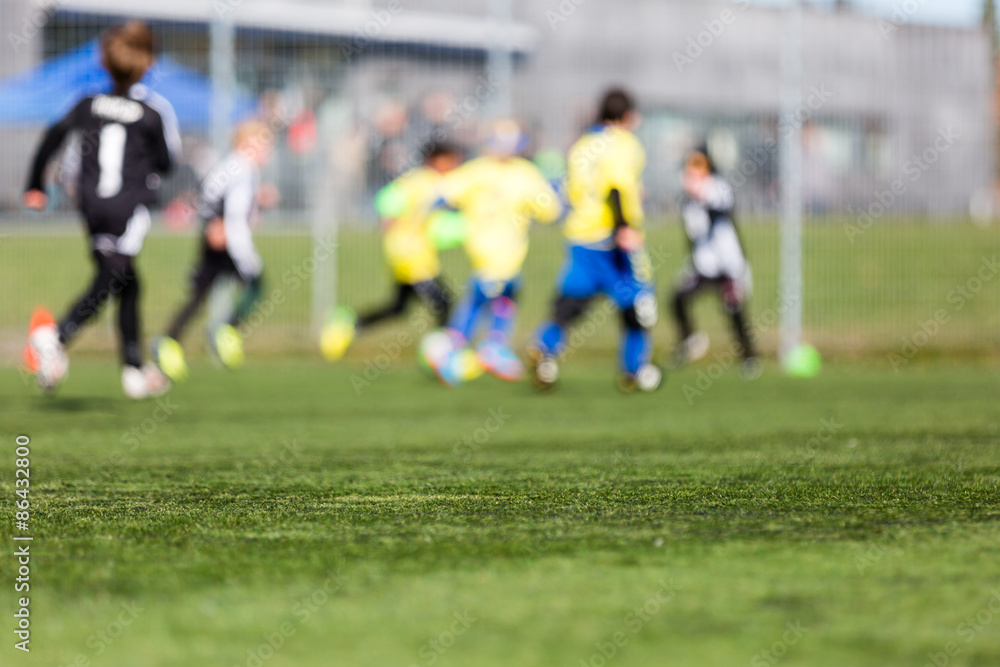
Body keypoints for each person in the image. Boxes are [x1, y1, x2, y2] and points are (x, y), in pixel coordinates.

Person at [22, 20, 179, 399]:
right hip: (129, 207)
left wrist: (34, 184)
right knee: (113, 276)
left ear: (105, 64)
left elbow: (53, 135)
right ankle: (55, 336)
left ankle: (133, 370)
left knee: (127, 282)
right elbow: (167, 163)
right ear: (149, 63)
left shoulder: (88, 103)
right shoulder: (152, 112)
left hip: (91, 205)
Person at [529, 89, 660, 392]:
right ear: (628, 116)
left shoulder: (582, 145)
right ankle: (634, 370)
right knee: (639, 303)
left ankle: (544, 349)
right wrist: (624, 227)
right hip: (612, 238)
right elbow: (615, 188)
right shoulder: (625, 143)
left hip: (580, 236)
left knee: (568, 306)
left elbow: (573, 191)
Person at [431, 120, 562, 384]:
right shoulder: (504, 172)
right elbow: (552, 211)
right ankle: (461, 348)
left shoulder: (500, 172)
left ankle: (480, 345)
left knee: (499, 293)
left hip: (497, 252)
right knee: (488, 294)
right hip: (495, 251)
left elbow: (550, 210)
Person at [154, 121, 277, 381]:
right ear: (248, 144)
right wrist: (220, 227)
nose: (268, 151)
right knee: (255, 283)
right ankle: (224, 332)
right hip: (226, 240)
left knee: (201, 293)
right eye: (264, 144)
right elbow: (226, 207)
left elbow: (213, 194)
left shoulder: (237, 166)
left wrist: (254, 205)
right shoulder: (242, 167)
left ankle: (170, 341)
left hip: (220, 236)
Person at [320, 141, 464, 362]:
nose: (455, 165)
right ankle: (443, 355)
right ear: (437, 160)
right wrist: (390, 219)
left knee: (398, 307)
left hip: (416, 254)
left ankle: (348, 325)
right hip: (410, 255)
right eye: (451, 160)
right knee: (443, 301)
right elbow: (387, 200)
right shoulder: (422, 181)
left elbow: (435, 222)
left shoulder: (431, 183)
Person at [671, 145, 759, 378]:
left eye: (699, 164)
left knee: (734, 309)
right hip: (703, 265)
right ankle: (690, 341)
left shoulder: (716, 187)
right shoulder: (687, 200)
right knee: (678, 298)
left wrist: (696, 190)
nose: (694, 170)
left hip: (726, 264)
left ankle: (749, 357)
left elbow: (717, 208)